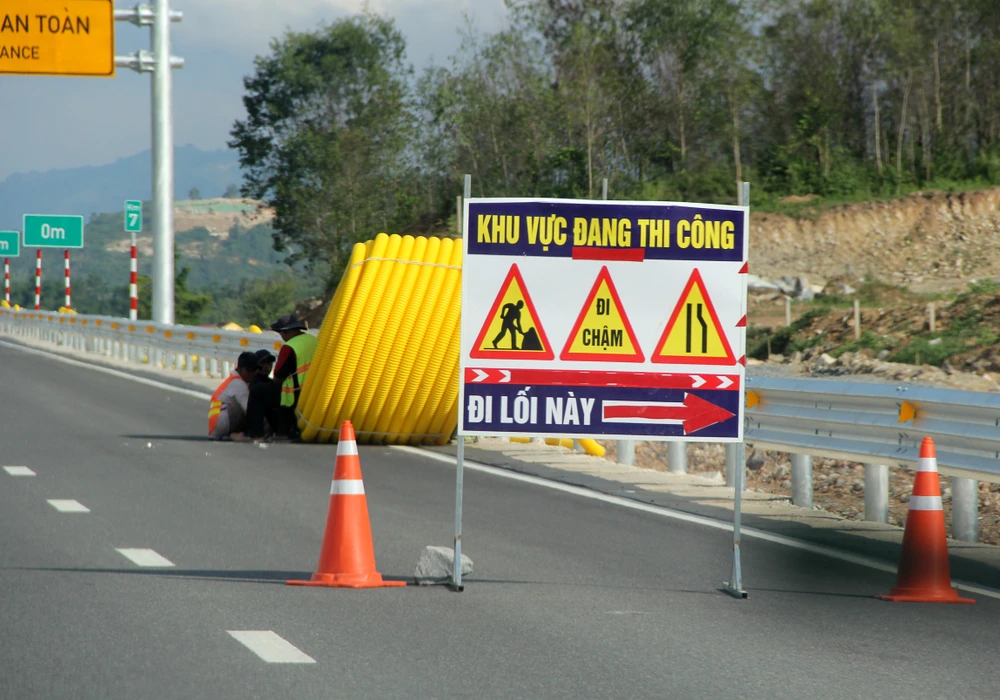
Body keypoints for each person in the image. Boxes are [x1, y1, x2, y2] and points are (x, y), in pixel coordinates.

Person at [244, 314, 317, 439]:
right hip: (314, 389)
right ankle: (283, 430)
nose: (282, 337)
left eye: (281, 334)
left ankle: (256, 434)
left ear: (287, 332)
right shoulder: (314, 340)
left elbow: (278, 376)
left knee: (258, 392)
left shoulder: (290, 347)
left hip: (296, 391)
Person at [208, 351, 259, 440]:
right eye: (249, 370)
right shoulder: (239, 384)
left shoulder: (234, 380)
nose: (252, 374)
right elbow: (250, 410)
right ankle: (245, 434)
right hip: (221, 423)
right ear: (240, 368)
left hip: (216, 424)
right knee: (253, 407)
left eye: (254, 370)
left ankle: (232, 434)